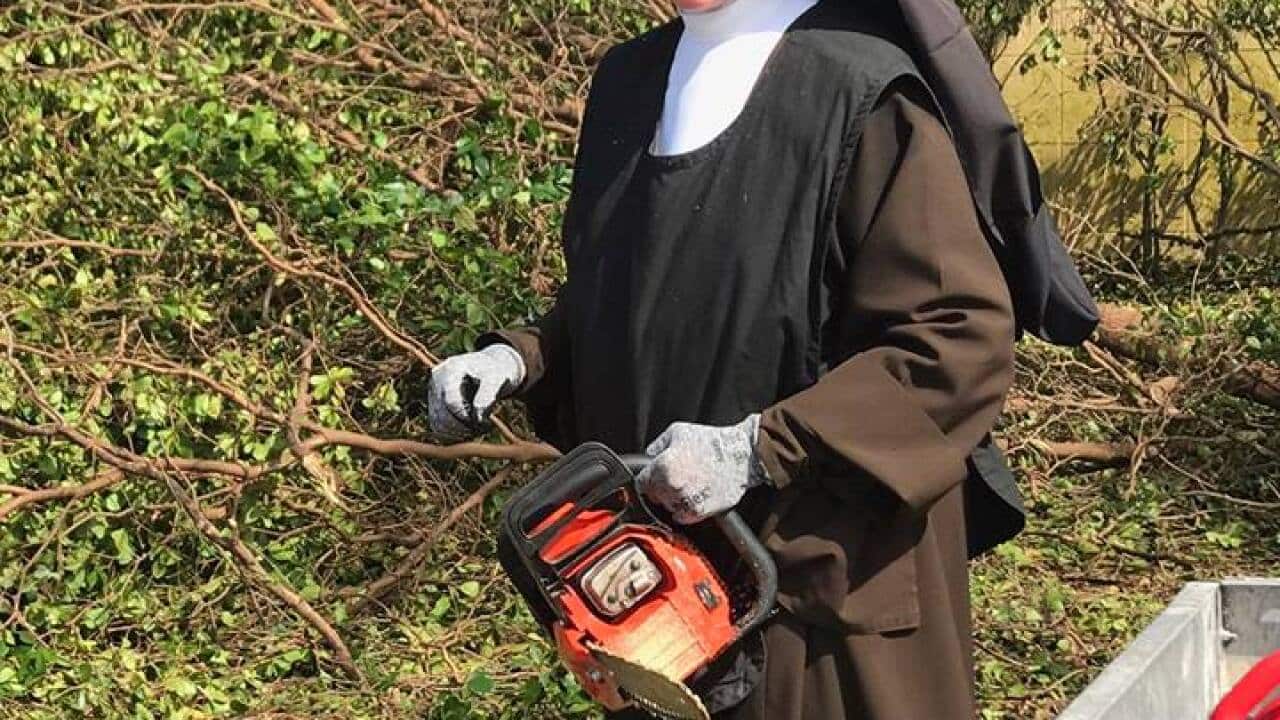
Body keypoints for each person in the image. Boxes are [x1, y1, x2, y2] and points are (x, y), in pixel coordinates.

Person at [426, 0, 1095, 717]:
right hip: (667, 609)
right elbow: (629, 293)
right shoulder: (628, 81)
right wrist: (519, 359)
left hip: (830, 615)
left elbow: (956, 337)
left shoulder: (861, 85)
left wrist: (755, 449)